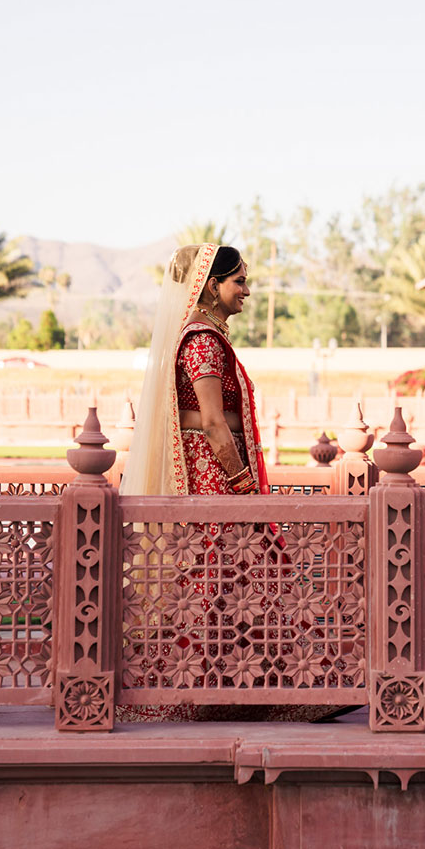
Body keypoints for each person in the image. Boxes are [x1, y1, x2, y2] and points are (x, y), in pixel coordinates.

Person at [117, 244, 357, 724]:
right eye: (239, 281)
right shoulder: (202, 340)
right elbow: (210, 422)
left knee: (235, 578)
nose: (247, 290)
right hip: (214, 477)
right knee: (227, 576)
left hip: (215, 475)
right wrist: (241, 481)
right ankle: (231, 692)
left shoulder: (205, 337)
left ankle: (253, 688)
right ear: (211, 285)